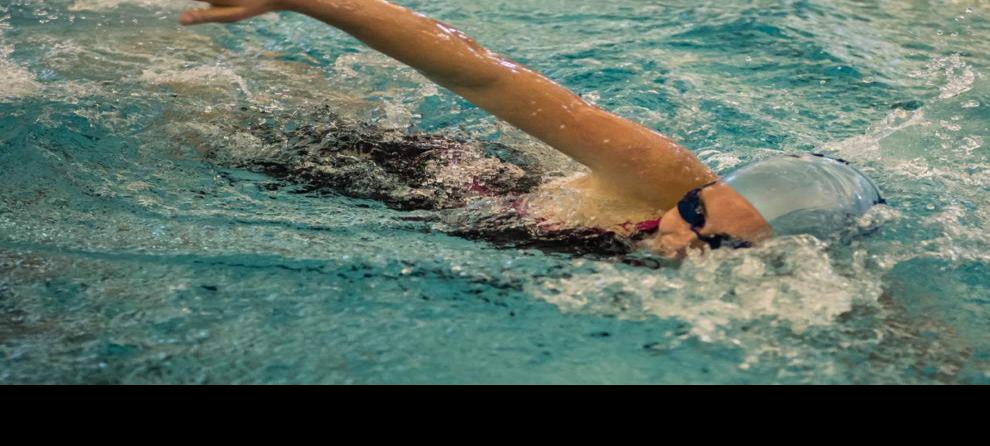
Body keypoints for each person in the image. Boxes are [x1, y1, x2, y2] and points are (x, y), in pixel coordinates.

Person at [179, 0, 883, 258]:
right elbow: (482, 76)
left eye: (715, 239)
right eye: (695, 211)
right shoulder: (659, 176)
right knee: (188, 91)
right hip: (378, 162)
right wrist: (320, 3)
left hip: (391, 218)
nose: (680, 230)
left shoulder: (785, 275)